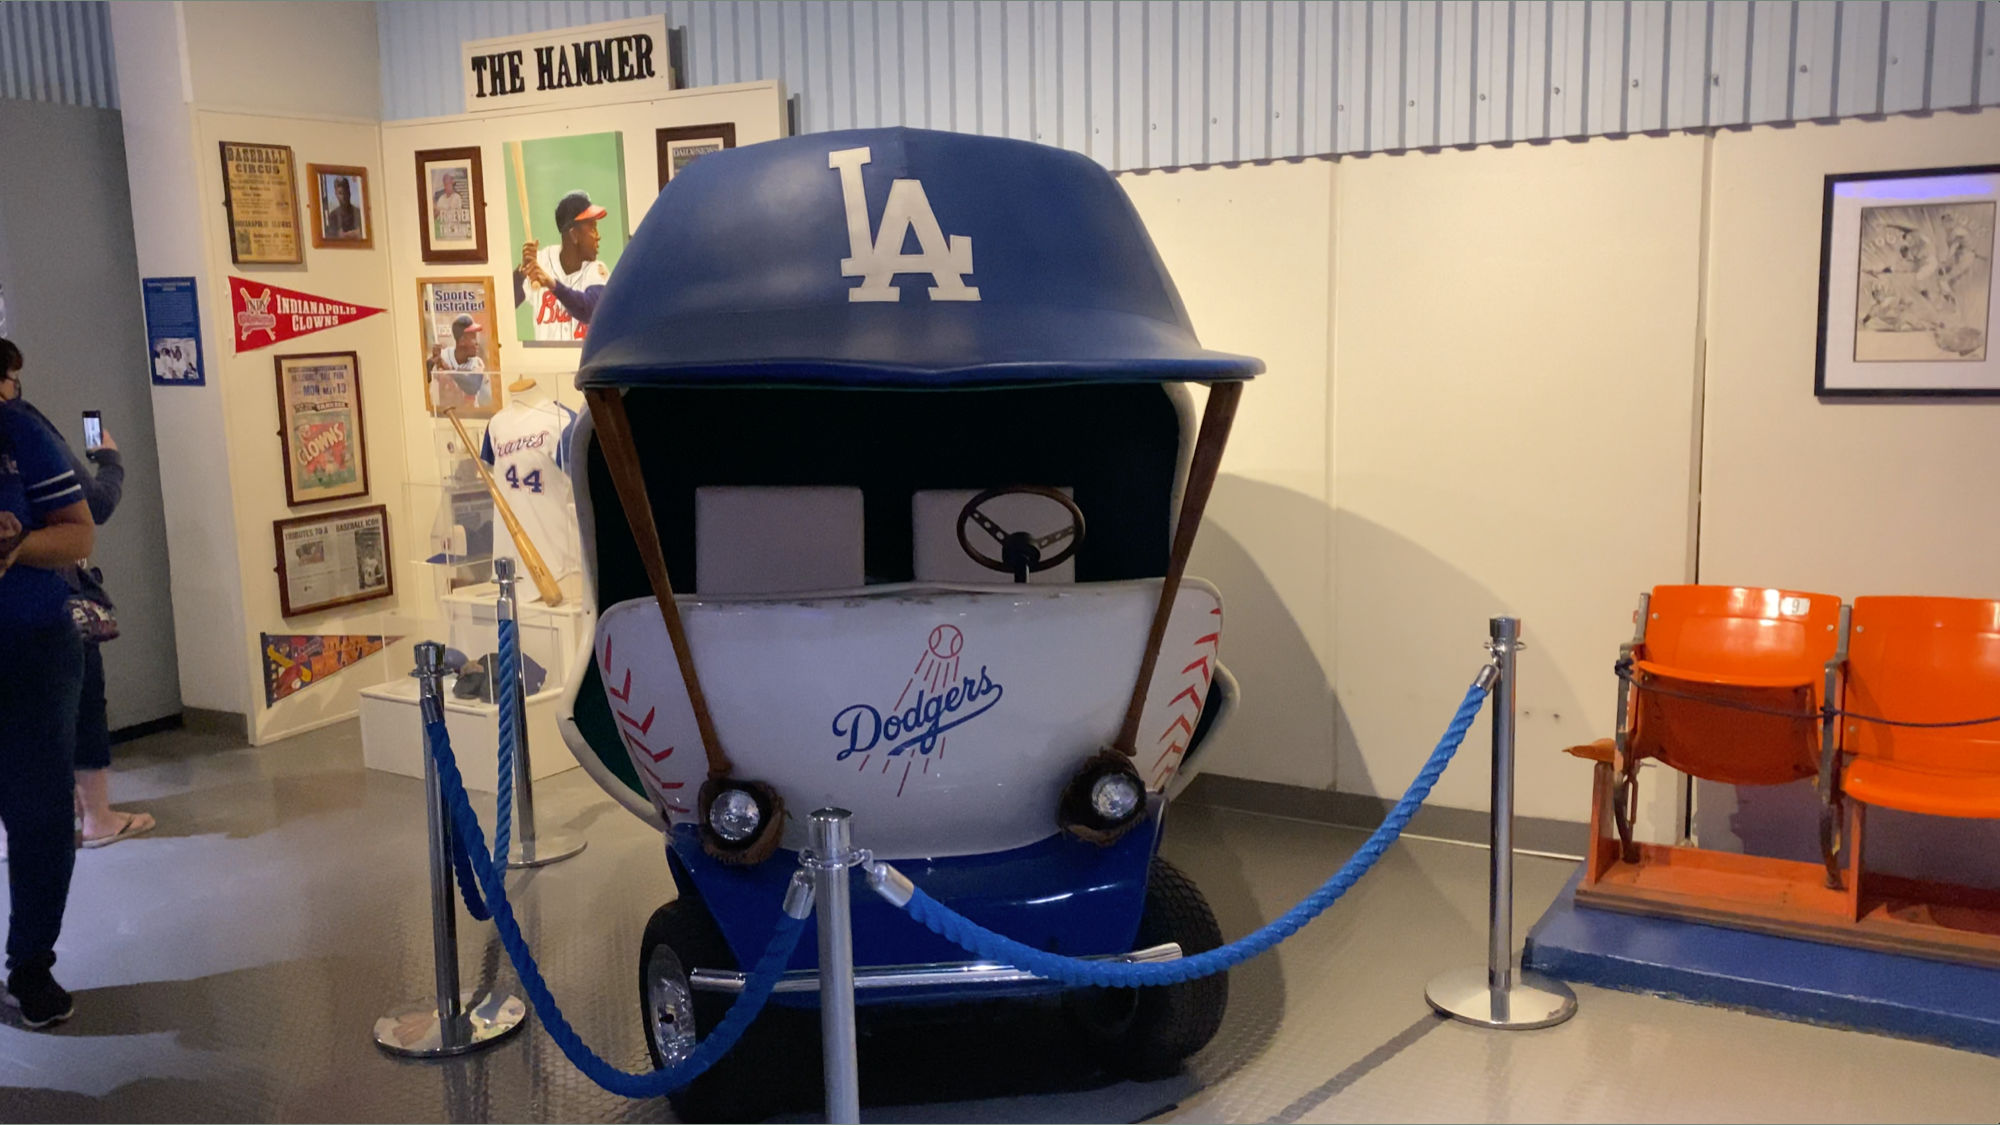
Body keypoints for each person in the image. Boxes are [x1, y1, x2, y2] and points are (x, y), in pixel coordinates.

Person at [0, 337, 96, 1029]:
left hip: (31, 648)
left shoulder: (20, 431)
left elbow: (78, 535)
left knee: (39, 819)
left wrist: (17, 544)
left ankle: (31, 962)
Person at [514, 190, 609, 341]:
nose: (598, 235)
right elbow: (505, 304)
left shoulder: (596, 270)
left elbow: (591, 311)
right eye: (592, 227)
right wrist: (521, 274)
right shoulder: (541, 261)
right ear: (573, 235)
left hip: (582, 363)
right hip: (545, 362)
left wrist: (552, 284)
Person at [427, 314, 491, 412]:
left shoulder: (477, 363)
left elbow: (472, 387)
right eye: (473, 338)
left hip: (470, 416)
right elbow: (421, 380)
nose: (477, 343)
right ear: (462, 341)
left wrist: (448, 370)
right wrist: (431, 362)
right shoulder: (443, 356)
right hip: (444, 415)